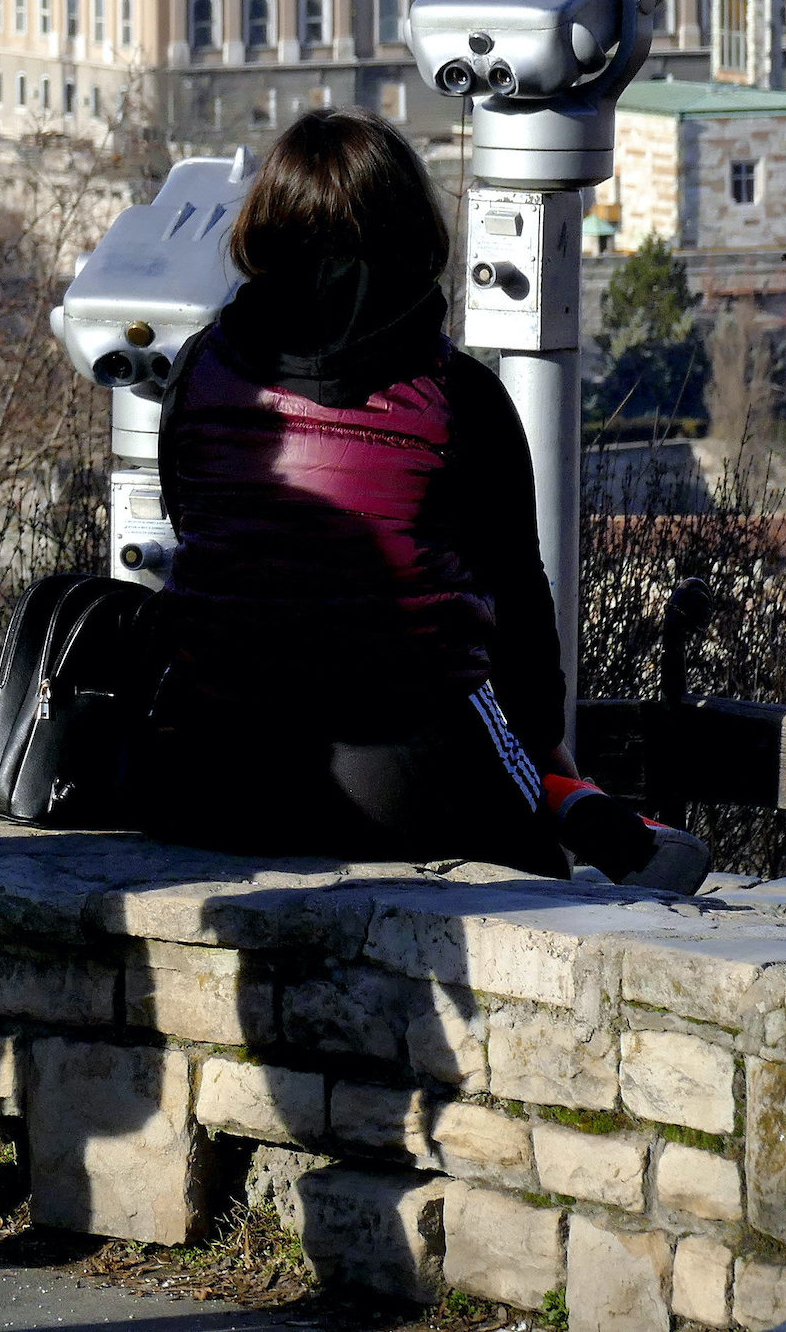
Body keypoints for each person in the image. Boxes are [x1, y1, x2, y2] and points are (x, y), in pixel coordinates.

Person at [144, 109, 699, 887]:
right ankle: (577, 805)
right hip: (401, 777)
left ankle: (578, 804)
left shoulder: (199, 371)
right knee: (536, 860)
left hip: (207, 771)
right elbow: (521, 612)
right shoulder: (458, 398)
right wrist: (542, 752)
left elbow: (193, 527)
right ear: (412, 237)